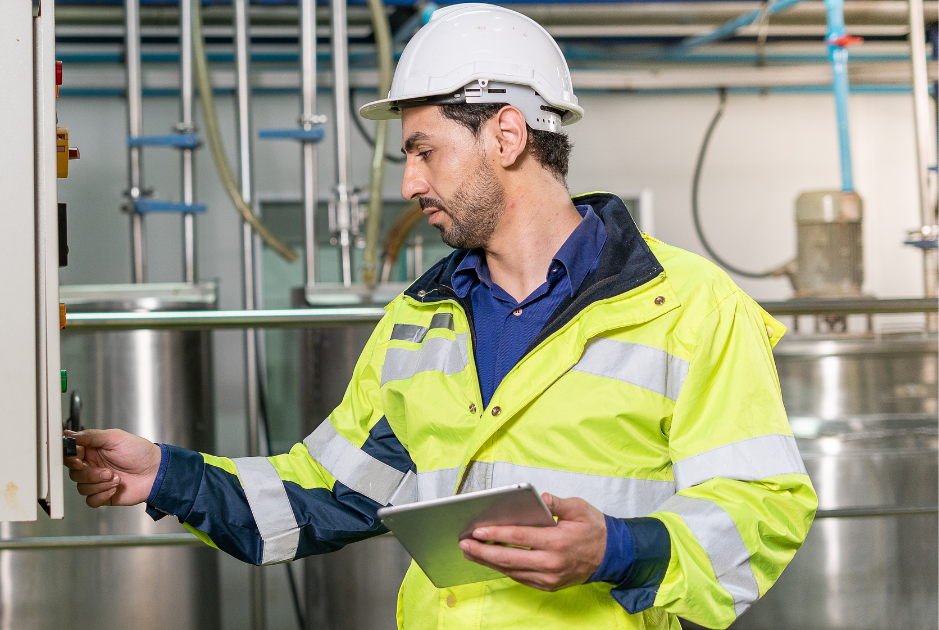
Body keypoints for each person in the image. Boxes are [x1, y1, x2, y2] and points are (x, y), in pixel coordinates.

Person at [64, 4, 816, 628]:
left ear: (508, 135)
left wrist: (619, 549)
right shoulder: (418, 323)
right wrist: (167, 474)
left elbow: (761, 508)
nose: (410, 181)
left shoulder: (690, 308)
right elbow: (327, 493)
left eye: (424, 151)